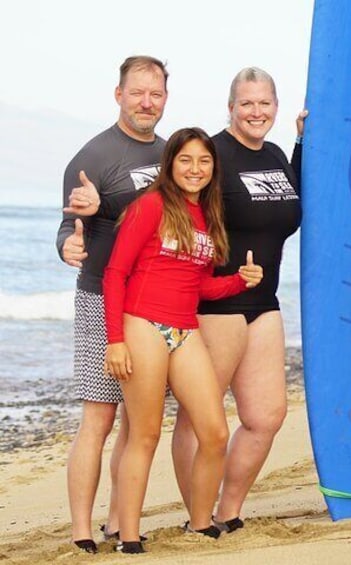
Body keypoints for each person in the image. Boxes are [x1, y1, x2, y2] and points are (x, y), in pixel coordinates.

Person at [102, 127, 264, 553]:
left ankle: (199, 524)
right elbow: (115, 274)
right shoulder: (150, 206)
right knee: (145, 434)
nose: (195, 169)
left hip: (184, 328)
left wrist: (239, 283)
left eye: (204, 161)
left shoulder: (206, 217)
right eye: (186, 160)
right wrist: (115, 341)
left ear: (213, 169)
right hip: (142, 326)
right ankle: (129, 537)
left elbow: (199, 287)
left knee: (214, 431)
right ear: (170, 164)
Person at [170, 67, 303, 533]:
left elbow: (296, 201)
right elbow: (173, 206)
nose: (256, 112)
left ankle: (227, 510)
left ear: (277, 108)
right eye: (246, 103)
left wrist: (303, 146)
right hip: (214, 305)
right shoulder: (213, 154)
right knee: (199, 419)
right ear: (230, 108)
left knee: (266, 416)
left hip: (263, 301)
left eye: (265, 103)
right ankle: (197, 518)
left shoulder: (276, 155)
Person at [55, 55, 168, 553]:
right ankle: (81, 530)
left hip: (152, 303)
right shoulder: (94, 156)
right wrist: (68, 245)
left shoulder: (170, 153)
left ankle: (120, 519)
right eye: (138, 92)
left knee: (137, 418)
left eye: (156, 93)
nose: (147, 102)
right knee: (99, 418)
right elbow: (68, 224)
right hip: (102, 298)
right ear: (118, 94)